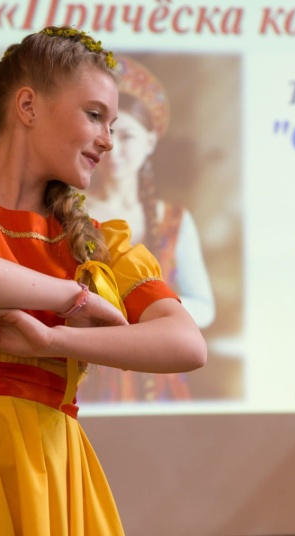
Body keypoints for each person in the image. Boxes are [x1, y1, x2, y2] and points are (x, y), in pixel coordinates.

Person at [0, 26, 206, 535]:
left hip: (54, 472)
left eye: (113, 124)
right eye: (94, 115)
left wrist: (50, 340)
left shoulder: (99, 243)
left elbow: (186, 344)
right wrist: (73, 296)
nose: (108, 139)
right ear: (27, 106)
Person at [81, 55, 215, 402]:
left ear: (150, 142)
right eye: (108, 134)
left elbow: (204, 305)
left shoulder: (174, 219)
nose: (115, 149)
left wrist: (152, 314)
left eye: (128, 136)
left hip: (162, 376)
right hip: (94, 370)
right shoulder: (73, 212)